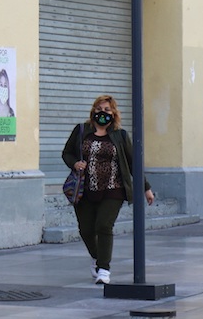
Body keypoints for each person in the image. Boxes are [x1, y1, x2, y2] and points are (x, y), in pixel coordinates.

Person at [62, 95, 155, 284]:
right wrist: (75, 163)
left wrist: (146, 188)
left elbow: (132, 163)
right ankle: (97, 257)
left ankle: (104, 269)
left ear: (113, 113)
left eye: (106, 110)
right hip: (85, 189)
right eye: (98, 109)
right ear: (92, 111)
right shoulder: (81, 131)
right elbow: (67, 152)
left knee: (104, 225)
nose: (102, 113)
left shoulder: (119, 135)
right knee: (86, 229)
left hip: (113, 188)